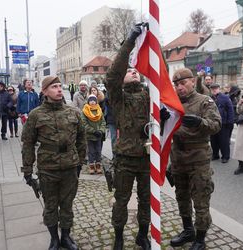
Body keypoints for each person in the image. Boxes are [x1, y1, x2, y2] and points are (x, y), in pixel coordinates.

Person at [21, 76, 86, 250]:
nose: (58, 89)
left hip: (70, 167)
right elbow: (27, 143)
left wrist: (79, 162)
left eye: (59, 86)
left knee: (67, 205)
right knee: (50, 205)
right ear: (44, 91)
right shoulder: (36, 115)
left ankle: (65, 236)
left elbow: (81, 139)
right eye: (54, 87)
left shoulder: (73, 113)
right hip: (47, 168)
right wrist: (27, 170)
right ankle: (54, 239)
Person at [105, 23, 151, 250]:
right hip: (124, 159)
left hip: (147, 158)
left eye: (135, 70)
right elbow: (113, 73)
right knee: (121, 200)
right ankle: (119, 236)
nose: (133, 71)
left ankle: (143, 234)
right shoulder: (117, 96)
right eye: (129, 70)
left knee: (146, 200)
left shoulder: (151, 96)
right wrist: (130, 40)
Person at [170, 68, 221, 250]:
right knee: (181, 198)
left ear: (192, 81)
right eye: (176, 84)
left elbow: (216, 125)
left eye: (183, 83)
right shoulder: (172, 103)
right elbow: (166, 133)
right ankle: (188, 230)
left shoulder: (204, 101)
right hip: (178, 159)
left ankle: (200, 238)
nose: (179, 87)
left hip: (198, 160)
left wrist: (201, 123)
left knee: (200, 201)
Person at [81, 94, 106, 174]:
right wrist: (93, 131)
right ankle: (91, 166)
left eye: (94, 100)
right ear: (88, 102)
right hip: (90, 136)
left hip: (98, 135)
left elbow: (103, 122)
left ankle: (98, 165)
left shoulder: (99, 110)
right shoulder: (85, 111)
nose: (92, 102)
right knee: (91, 151)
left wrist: (101, 131)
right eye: (91, 100)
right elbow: (84, 123)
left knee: (98, 151)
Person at [209, 83, 234, 163]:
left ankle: (225, 156)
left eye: (216, 88)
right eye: (212, 88)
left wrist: (230, 122)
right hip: (212, 123)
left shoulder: (225, 97)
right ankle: (215, 155)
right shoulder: (209, 98)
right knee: (213, 140)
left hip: (223, 123)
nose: (214, 90)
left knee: (224, 141)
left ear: (219, 89)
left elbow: (230, 110)